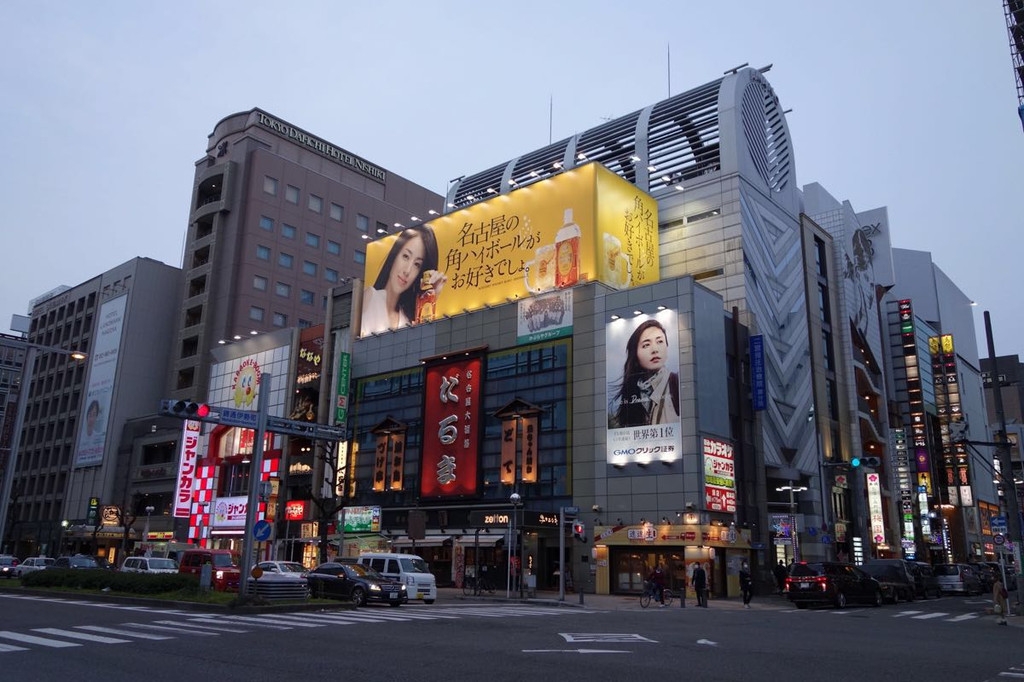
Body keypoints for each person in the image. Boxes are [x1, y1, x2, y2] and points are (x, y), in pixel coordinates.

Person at [361, 225, 446, 335]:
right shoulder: (370, 297)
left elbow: (422, 340)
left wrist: (433, 296)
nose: (407, 270)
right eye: (406, 256)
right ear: (395, 255)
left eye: (417, 264)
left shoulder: (406, 320)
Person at [608, 319, 680, 429]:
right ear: (635, 354)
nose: (655, 350)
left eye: (660, 342)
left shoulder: (677, 383)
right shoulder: (632, 395)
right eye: (646, 345)